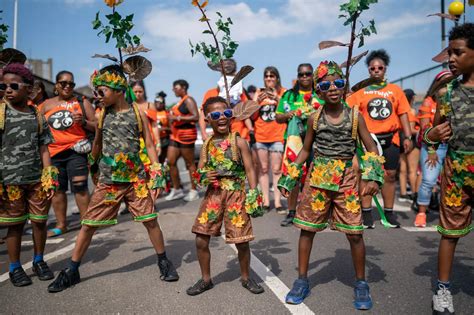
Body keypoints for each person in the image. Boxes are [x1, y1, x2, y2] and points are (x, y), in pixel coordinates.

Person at [47, 65, 179, 293]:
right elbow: (97, 143)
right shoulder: (102, 114)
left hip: (135, 180)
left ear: (118, 90)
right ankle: (72, 269)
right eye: (96, 91)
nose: (98, 95)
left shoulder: (137, 113)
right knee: (88, 225)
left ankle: (163, 260)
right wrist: (93, 164)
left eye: (102, 91)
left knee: (150, 220)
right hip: (108, 181)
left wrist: (156, 173)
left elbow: (148, 144)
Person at [278, 61, 383, 309]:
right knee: (307, 230)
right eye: (326, 85)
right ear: (319, 90)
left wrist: (372, 177)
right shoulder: (314, 118)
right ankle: (302, 280)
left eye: (338, 83)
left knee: (355, 234)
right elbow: (305, 150)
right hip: (318, 180)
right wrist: (290, 176)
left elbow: (371, 147)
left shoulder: (355, 117)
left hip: (346, 179)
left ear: (344, 86)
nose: (333, 88)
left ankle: (361, 283)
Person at [187, 96, 264, 296]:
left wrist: (253, 193)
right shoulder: (206, 145)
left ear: (232, 116)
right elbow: (199, 175)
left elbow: (250, 168)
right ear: (207, 119)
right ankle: (206, 279)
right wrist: (204, 176)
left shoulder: (239, 142)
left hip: (236, 194)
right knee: (201, 239)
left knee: (242, 241)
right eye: (215, 115)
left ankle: (246, 277)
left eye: (226, 113)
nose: (222, 117)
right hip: (213, 196)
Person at [425, 23, 474, 315]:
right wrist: (432, 139)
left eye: (458, 53)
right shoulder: (446, 93)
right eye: (449, 53)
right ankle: (443, 289)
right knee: (450, 234)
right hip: (457, 171)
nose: (451, 59)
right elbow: (432, 132)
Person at [0, 63, 58, 286]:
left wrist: (48, 177)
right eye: (3, 86)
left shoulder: (37, 115)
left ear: (29, 88)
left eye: (14, 85)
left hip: (36, 181)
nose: (8, 89)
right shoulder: (1, 112)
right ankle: (15, 267)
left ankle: (39, 260)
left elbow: (44, 147)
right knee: (15, 225)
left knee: (39, 222)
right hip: (9, 182)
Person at [347, 49, 413, 228]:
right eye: (372, 68)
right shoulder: (361, 91)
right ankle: (366, 214)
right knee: (368, 176)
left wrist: (408, 136)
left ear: (385, 69)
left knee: (390, 176)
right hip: (369, 141)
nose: (376, 71)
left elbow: (404, 114)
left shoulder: (395, 90)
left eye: (380, 68)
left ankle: (389, 213)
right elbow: (348, 111)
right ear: (369, 70)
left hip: (390, 139)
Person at [39, 71, 96, 237]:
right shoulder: (46, 105)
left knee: (80, 187)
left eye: (71, 83)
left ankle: (87, 223)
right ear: (56, 85)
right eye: (63, 83)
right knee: (57, 190)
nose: (67, 86)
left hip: (75, 151)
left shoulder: (81, 101)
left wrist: (84, 122)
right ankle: (61, 225)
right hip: (53, 153)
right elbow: (36, 128)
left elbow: (97, 126)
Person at [275, 63, 321, 226]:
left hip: (317, 141)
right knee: (293, 175)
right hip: (294, 141)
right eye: (301, 74)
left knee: (316, 177)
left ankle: (314, 211)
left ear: (312, 75)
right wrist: (289, 114)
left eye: (308, 74)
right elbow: (278, 117)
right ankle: (291, 212)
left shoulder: (320, 93)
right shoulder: (288, 95)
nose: (304, 77)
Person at [414, 70, 451, 227]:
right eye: (443, 83)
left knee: (450, 182)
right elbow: (424, 129)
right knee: (428, 181)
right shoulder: (428, 102)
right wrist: (431, 150)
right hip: (434, 146)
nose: (447, 86)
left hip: (452, 146)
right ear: (437, 86)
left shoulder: (458, 100)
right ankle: (422, 212)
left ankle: (448, 213)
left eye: (450, 83)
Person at [252, 66, 286, 213]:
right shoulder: (258, 93)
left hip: (277, 136)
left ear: (277, 78)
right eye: (266, 76)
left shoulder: (283, 92)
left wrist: (277, 99)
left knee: (277, 170)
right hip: (261, 136)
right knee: (263, 169)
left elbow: (287, 110)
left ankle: (278, 202)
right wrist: (256, 102)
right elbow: (251, 116)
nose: (269, 79)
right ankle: (266, 201)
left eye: (272, 76)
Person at [166, 79, 199, 202]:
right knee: (171, 161)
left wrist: (177, 117)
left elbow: (196, 116)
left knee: (190, 163)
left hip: (186, 135)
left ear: (183, 87)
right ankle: (177, 189)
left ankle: (194, 190)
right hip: (175, 135)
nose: (173, 90)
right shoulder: (180, 102)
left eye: (176, 87)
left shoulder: (189, 100)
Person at [398, 89, 420, 202]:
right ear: (411, 98)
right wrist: (423, 130)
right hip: (409, 141)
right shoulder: (410, 111)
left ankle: (403, 193)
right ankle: (415, 193)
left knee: (403, 169)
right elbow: (410, 130)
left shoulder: (399, 110)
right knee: (412, 170)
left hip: (400, 139)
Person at [132, 81, 161, 157]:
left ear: (144, 91)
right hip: (134, 142)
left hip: (149, 142)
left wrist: (158, 143)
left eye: (140, 91)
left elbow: (154, 126)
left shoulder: (150, 105)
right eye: (135, 92)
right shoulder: (128, 106)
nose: (138, 94)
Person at [154, 91, 170, 163]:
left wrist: (163, 129)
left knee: (164, 161)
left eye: (160, 103)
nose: (158, 104)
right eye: (156, 102)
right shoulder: (151, 112)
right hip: (155, 141)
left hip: (165, 140)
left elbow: (171, 129)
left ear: (163, 104)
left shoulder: (166, 113)